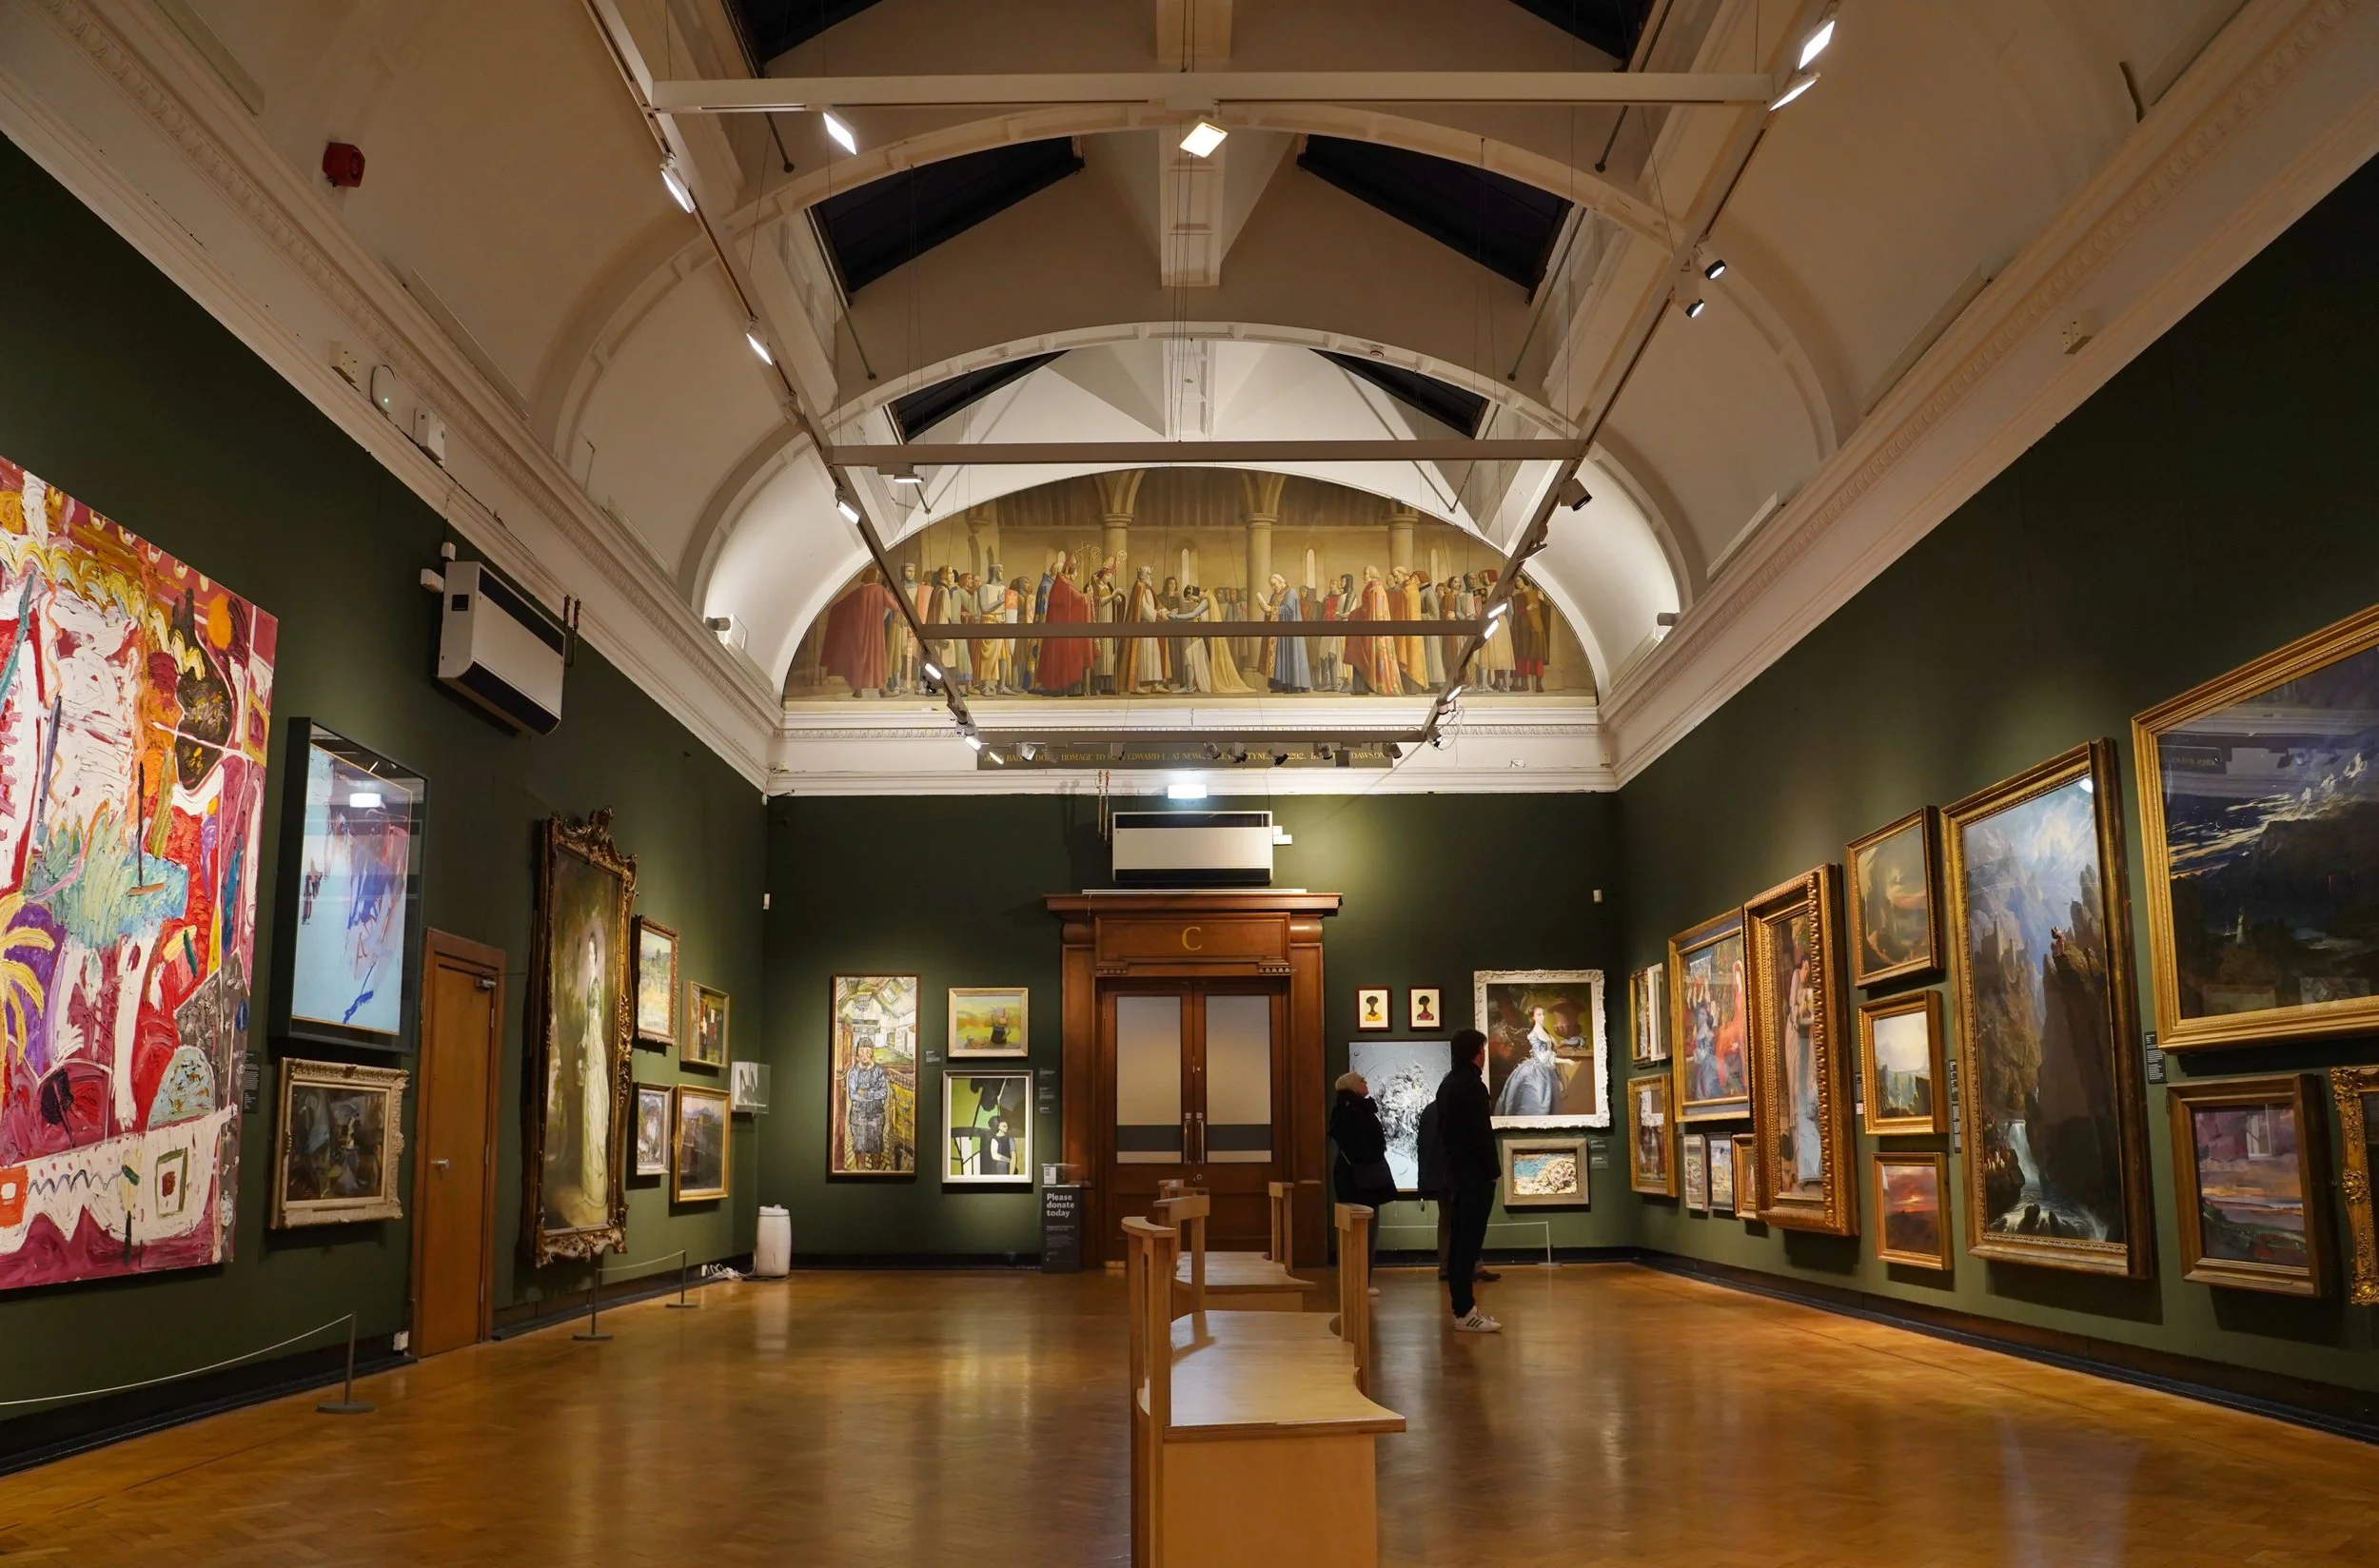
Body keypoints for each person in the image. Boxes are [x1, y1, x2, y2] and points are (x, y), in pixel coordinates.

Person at [1431, 1029, 1501, 1332]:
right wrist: (1493, 1170)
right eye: (1483, 1049)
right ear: (1476, 1052)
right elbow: (1481, 1133)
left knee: (1461, 1242)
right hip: (1474, 1174)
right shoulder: (1471, 1085)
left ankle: (1464, 1308)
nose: (1484, 1055)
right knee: (1468, 1244)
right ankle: (1464, 1311)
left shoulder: (1449, 1083)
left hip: (1457, 1172)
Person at [1329, 1071, 1397, 1292]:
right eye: (1361, 1080)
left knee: (1362, 1231)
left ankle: (1358, 1282)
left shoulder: (1347, 1109)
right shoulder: (1355, 1111)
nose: (1365, 1082)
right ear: (1351, 1085)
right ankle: (1359, 1283)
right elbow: (1365, 1146)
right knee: (1365, 1231)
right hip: (1361, 1180)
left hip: (1355, 1178)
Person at [1493, 1006, 1563, 1117]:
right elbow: (1540, 1053)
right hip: (1536, 1067)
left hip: (1545, 1067)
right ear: (1533, 1017)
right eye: (1539, 1015)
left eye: (1543, 1014)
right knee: (1534, 1094)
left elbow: (1550, 1048)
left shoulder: (1544, 1033)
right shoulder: (1531, 1034)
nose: (1542, 1017)